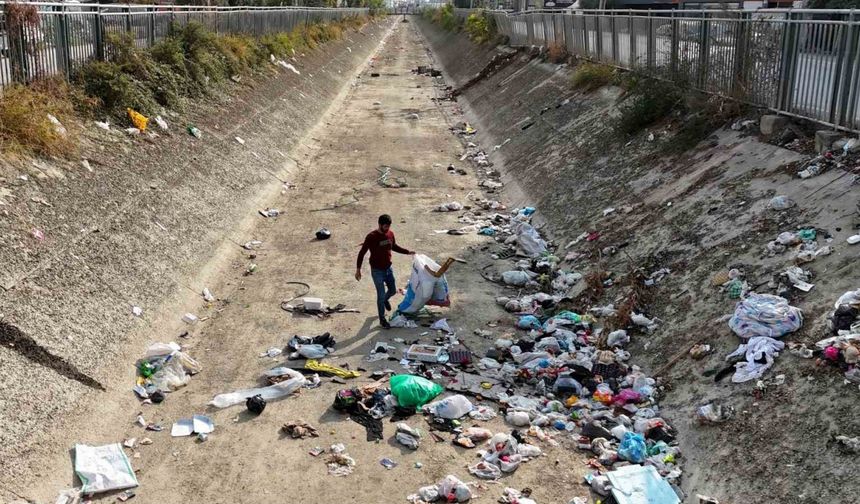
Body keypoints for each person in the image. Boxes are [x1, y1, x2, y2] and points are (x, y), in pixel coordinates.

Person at [356, 214, 414, 329]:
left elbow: (394, 246)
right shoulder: (371, 237)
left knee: (392, 291)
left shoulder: (390, 234)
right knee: (380, 295)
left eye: (388, 226)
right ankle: (382, 320)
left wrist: (407, 252)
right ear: (379, 224)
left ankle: (385, 300)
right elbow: (362, 253)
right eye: (385, 226)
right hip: (377, 271)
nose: (387, 228)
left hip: (388, 269)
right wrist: (358, 269)